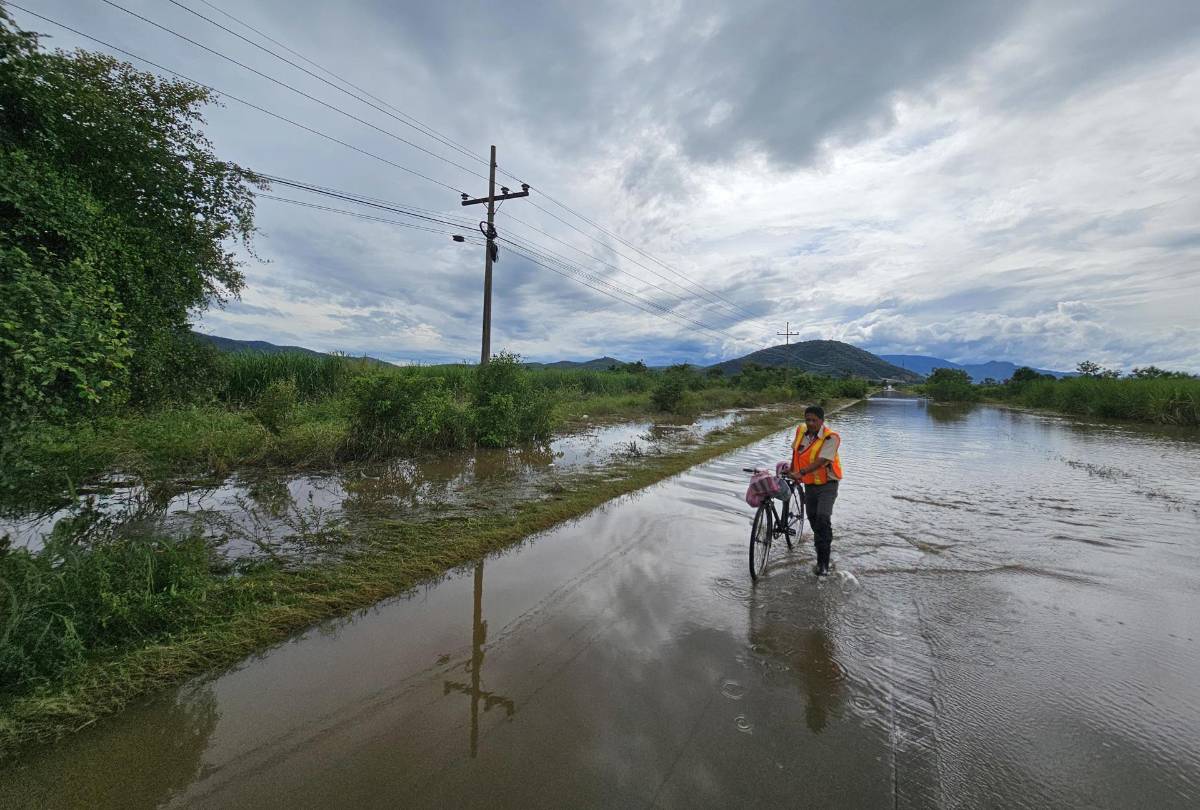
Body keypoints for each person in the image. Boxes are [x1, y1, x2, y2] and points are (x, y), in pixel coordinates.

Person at [790, 405, 843, 576]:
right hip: (809, 484)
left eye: (814, 420)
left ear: (822, 421)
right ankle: (822, 547)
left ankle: (823, 564)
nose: (811, 423)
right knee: (813, 520)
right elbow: (796, 453)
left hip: (827, 485)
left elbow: (821, 460)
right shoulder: (801, 431)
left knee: (822, 517)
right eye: (808, 419)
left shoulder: (831, 437)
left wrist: (801, 472)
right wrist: (792, 471)